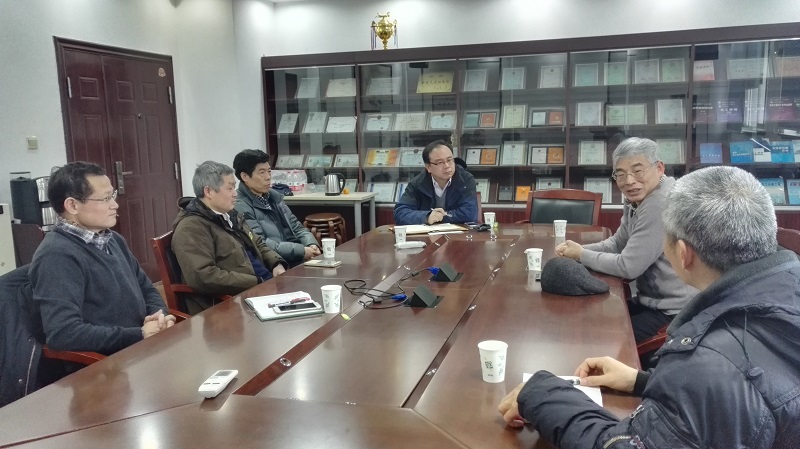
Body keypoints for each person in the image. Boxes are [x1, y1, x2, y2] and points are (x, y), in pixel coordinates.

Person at [499, 166, 800, 448]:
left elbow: (627, 443)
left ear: (682, 254)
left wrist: (542, 394)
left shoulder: (710, 361)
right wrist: (642, 381)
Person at [555, 137, 696, 343]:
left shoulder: (660, 203)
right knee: (589, 317)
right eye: (620, 174)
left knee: (598, 337)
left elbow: (629, 266)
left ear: (659, 168)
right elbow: (617, 244)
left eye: (638, 171)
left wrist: (581, 255)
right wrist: (576, 250)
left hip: (674, 312)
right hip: (651, 301)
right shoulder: (638, 197)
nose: (629, 181)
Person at [29, 162, 174, 356]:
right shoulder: (56, 256)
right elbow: (63, 333)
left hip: (140, 348)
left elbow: (146, 288)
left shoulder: (113, 240)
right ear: (72, 205)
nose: (115, 204)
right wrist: (138, 334)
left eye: (112, 195)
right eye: (105, 199)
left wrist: (159, 316)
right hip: (106, 364)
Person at [172, 160, 287, 314]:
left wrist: (276, 263)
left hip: (260, 288)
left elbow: (257, 243)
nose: (235, 193)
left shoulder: (230, 215)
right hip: (230, 305)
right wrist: (256, 282)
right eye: (230, 188)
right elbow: (203, 277)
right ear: (208, 192)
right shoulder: (191, 227)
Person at [232, 149, 320, 267]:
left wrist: (311, 244)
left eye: (269, 171)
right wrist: (301, 251)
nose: (268, 177)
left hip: (297, 257)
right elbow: (261, 243)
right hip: (276, 263)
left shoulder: (274, 197)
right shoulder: (240, 205)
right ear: (245, 176)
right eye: (262, 172)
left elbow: (297, 227)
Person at [394, 140, 478, 225]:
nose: (447, 166)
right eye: (440, 162)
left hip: (459, 232)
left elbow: (470, 214)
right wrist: (427, 217)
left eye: (449, 160)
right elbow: (400, 213)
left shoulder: (465, 180)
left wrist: (440, 216)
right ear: (428, 167)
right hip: (426, 233)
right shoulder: (418, 183)